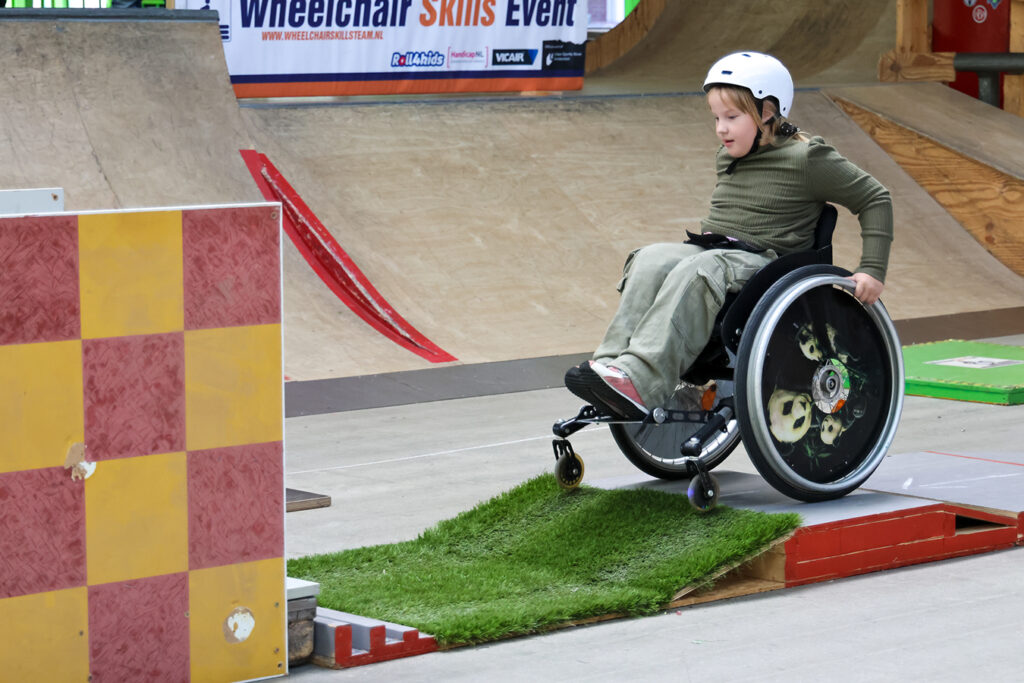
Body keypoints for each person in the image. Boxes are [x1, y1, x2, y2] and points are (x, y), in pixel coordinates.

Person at [566, 51, 893, 420]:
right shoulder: (729, 155)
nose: (721, 128)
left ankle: (642, 380)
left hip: (767, 264)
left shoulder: (808, 158)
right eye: (717, 118)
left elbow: (875, 197)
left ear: (767, 112)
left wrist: (873, 269)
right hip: (719, 249)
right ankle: (611, 369)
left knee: (705, 269)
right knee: (651, 257)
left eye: (732, 117)